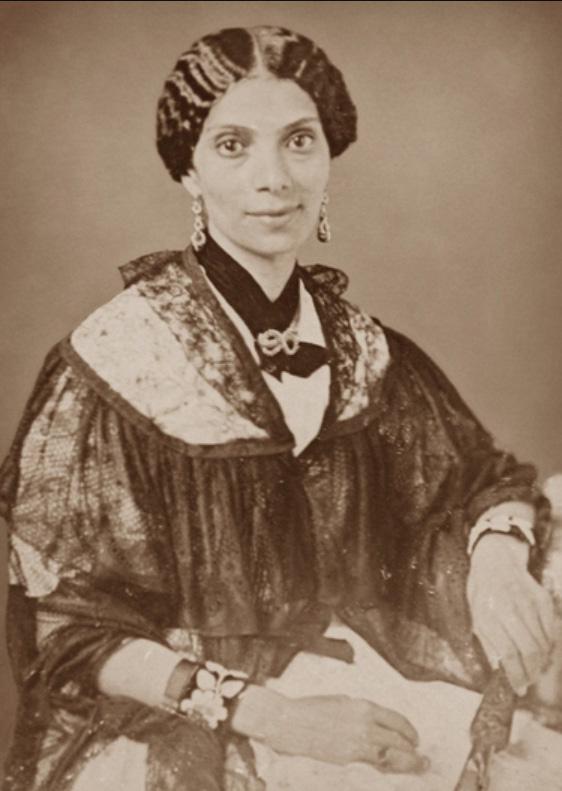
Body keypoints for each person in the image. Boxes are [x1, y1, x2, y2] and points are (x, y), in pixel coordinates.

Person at [0, 24, 557, 791]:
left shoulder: (364, 352)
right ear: (188, 170)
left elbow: (480, 480)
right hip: (183, 723)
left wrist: (496, 555)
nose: (274, 178)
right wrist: (277, 716)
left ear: (328, 158)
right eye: (233, 145)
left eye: (299, 141)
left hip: (349, 675)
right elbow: (67, 632)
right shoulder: (115, 359)